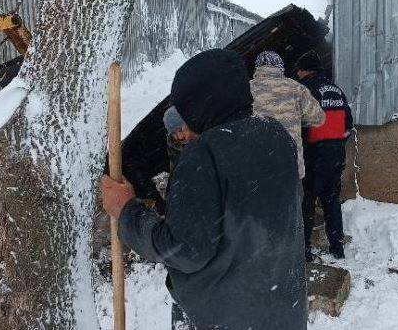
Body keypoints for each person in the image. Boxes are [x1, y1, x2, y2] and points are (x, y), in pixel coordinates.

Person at [101, 49, 307, 330]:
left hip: (222, 318)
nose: (181, 131)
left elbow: (184, 250)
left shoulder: (205, 155)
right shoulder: (277, 136)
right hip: (282, 311)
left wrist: (126, 210)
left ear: (202, 107)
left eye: (184, 115)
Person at [295, 51, 354, 261]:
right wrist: (336, 144)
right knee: (331, 202)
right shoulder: (336, 90)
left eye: (298, 70)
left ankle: (304, 251)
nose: (297, 73)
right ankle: (337, 248)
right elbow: (348, 124)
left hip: (313, 156)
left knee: (307, 203)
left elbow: (299, 126)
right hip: (335, 156)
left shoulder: (304, 90)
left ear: (304, 70)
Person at [249, 50, 324, 179]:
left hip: (257, 169)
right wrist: (297, 120)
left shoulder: (247, 89)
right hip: (290, 168)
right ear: (281, 67)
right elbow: (318, 118)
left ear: (257, 68)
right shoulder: (297, 88)